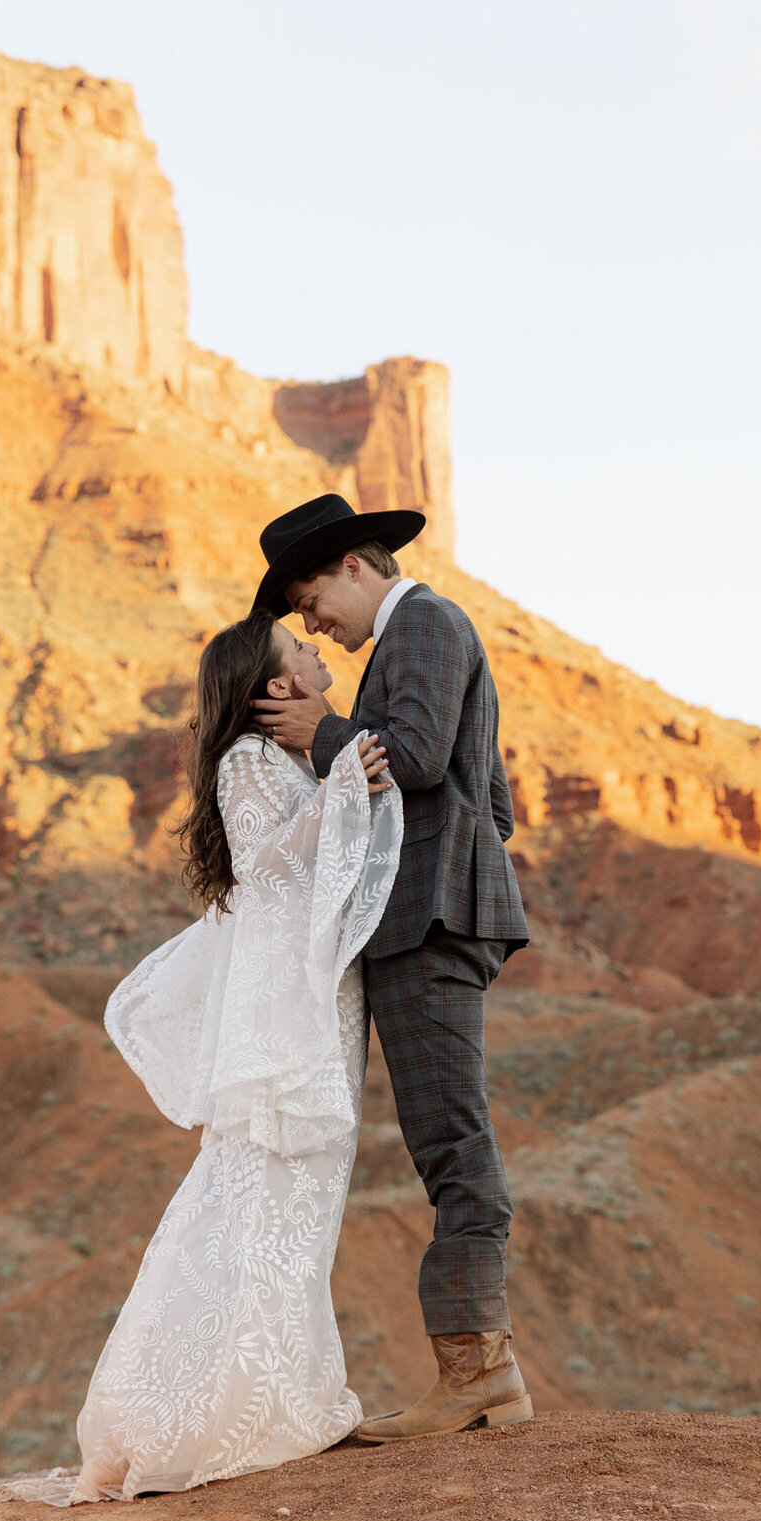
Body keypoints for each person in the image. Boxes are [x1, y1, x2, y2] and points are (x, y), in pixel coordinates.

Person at [0, 612, 401, 1502]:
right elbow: (264, 869)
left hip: (316, 997)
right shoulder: (248, 762)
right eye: (300, 650)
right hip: (286, 1019)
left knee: (304, 1202)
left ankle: (280, 1394)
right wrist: (342, 791)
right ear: (278, 686)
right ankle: (223, 1413)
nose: (316, 649)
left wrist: (336, 786)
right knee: (261, 1195)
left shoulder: (289, 758)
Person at [250, 494, 532, 1442]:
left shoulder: (421, 625)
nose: (312, 623)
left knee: (451, 1141)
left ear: (355, 569)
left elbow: (411, 757)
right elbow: (489, 799)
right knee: (442, 1135)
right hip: (436, 915)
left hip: (427, 924)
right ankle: (481, 1369)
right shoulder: (421, 635)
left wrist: (318, 733)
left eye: (311, 600)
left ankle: (479, 1373)